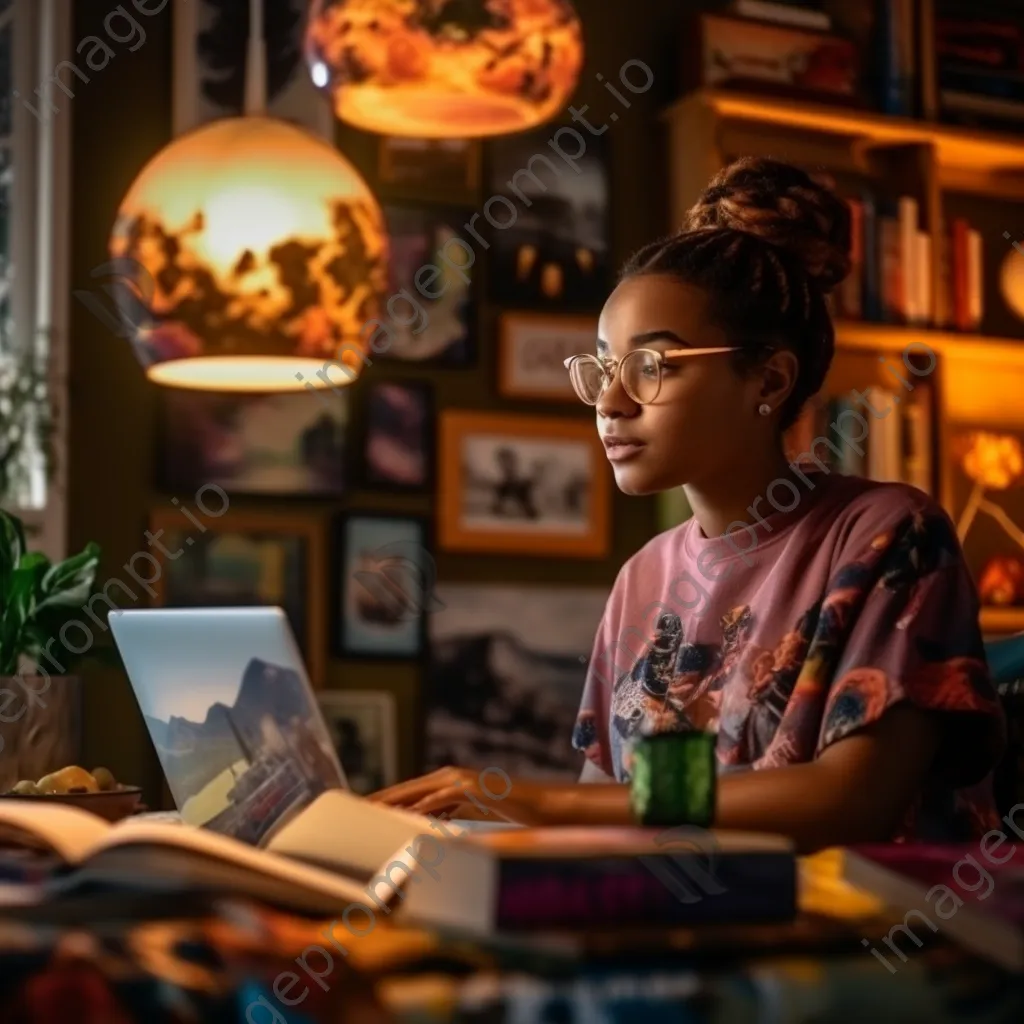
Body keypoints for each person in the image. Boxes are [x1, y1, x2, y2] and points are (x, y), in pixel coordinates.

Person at [370, 158, 1007, 853]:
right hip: (678, 919)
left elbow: (851, 800)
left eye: (652, 367)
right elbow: (604, 809)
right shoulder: (643, 577)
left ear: (767, 377)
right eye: (603, 368)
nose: (611, 402)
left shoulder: (888, 533)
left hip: (866, 935)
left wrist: (545, 803)